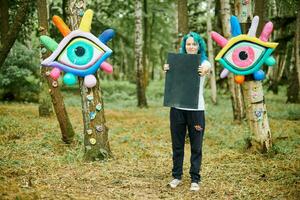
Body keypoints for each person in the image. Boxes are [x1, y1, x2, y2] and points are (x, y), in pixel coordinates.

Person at [164, 32, 211, 191]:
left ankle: (195, 179)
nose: (191, 46)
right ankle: (176, 176)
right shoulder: (178, 61)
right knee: (177, 145)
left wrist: (204, 70)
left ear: (199, 46)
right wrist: (167, 69)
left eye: (194, 44)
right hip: (177, 109)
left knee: (196, 146)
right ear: (185, 45)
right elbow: (172, 80)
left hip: (196, 110)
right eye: (188, 44)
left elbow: (207, 68)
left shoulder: (204, 62)